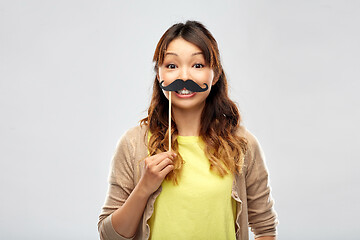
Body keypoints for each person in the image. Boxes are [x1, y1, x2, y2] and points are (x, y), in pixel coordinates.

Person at [98, 20, 278, 240]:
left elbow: (265, 228)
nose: (184, 77)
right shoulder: (133, 143)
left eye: (198, 65)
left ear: (216, 74)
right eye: (172, 66)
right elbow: (109, 236)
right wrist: (144, 187)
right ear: (158, 74)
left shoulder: (242, 144)